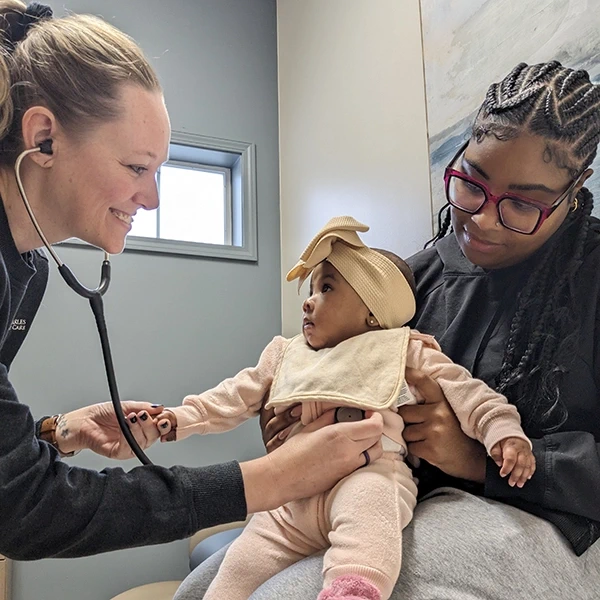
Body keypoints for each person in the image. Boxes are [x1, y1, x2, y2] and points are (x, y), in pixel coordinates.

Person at [175, 61, 600, 600]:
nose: (484, 219)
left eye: (521, 203)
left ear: (574, 188)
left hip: (555, 517)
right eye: (471, 184)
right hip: (398, 492)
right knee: (200, 589)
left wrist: (475, 458)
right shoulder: (415, 278)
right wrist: (302, 415)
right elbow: (333, 366)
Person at [0, 1, 385, 562]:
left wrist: (55, 432)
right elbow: (28, 510)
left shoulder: (24, 270)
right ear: (43, 139)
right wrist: (271, 478)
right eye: (137, 168)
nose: (152, 199)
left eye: (157, 172)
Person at [155, 215, 535, 600]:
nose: (308, 300)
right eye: (312, 287)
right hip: (292, 491)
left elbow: (471, 394)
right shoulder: (286, 354)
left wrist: (504, 434)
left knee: (370, 524)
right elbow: (231, 397)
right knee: (238, 567)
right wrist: (177, 419)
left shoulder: (404, 351)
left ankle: (352, 592)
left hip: (369, 472)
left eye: (327, 288)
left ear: (372, 313)